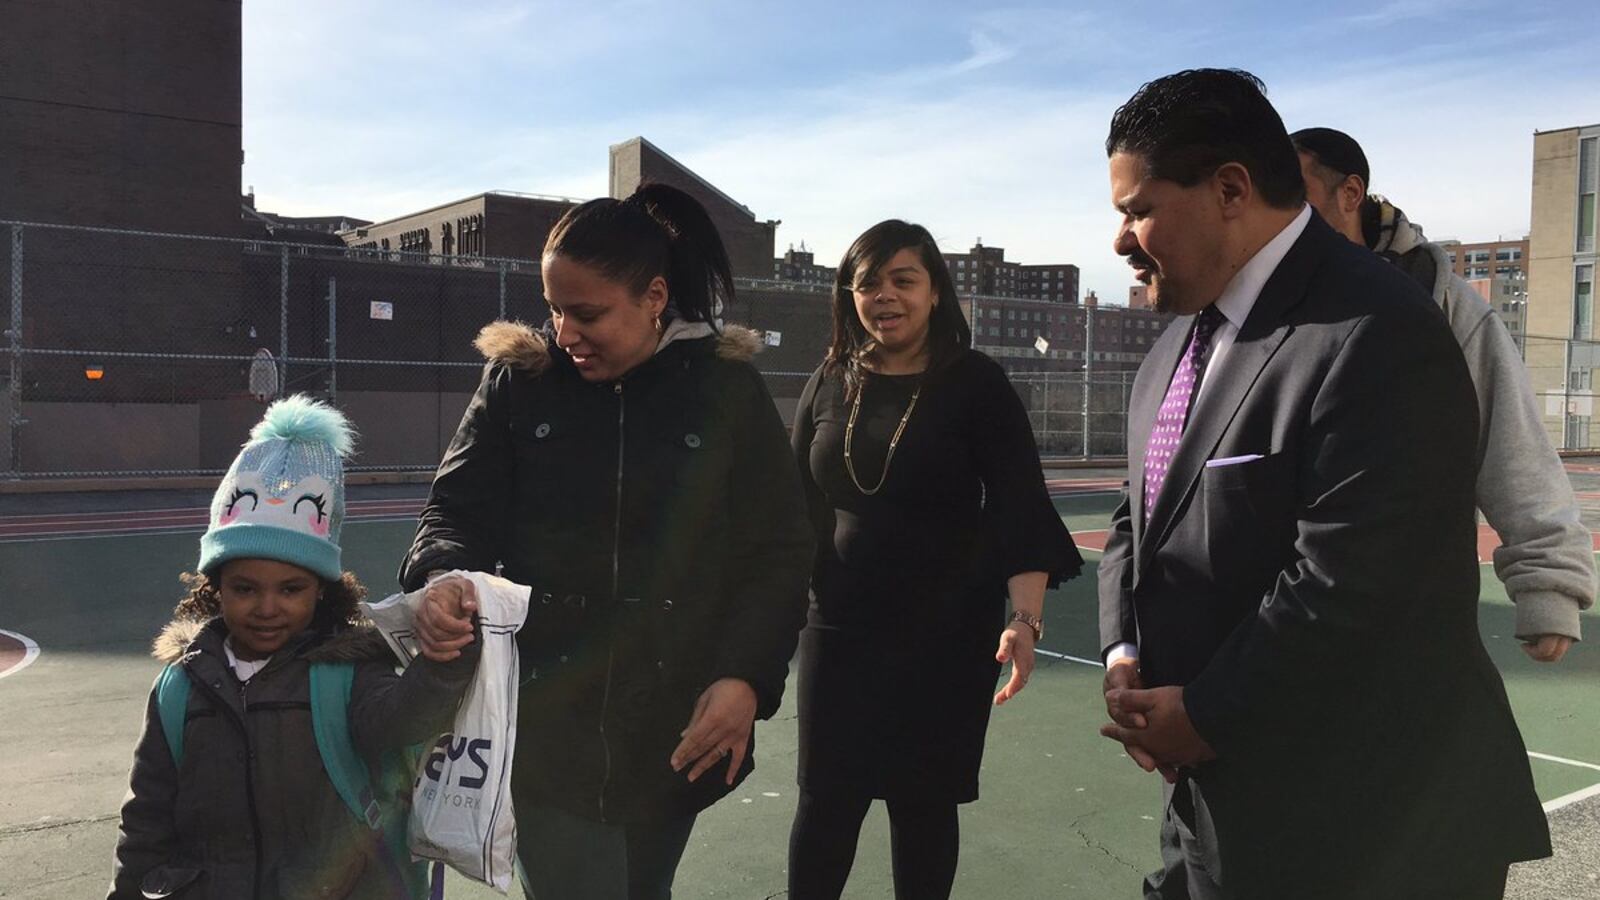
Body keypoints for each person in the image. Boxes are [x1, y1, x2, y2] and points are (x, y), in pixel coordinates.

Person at [1095, 69, 1549, 899]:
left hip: (1371, 826)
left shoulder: (1377, 328)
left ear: (1231, 190)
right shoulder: (1172, 353)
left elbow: (1352, 580)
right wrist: (1126, 653)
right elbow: (1138, 517)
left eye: (1137, 209)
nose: (1121, 239)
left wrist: (1204, 714)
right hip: (1215, 806)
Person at [399, 183, 814, 900]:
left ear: (654, 297)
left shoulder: (725, 389)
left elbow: (777, 551)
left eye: (587, 313)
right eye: (554, 308)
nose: (564, 333)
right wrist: (443, 579)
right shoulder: (519, 383)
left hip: (676, 729)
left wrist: (745, 678)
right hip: (545, 724)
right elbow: (452, 514)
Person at [787, 219, 1081, 900]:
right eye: (868, 283)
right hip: (837, 626)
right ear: (849, 296)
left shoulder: (976, 384)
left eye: (903, 280)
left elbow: (1019, 505)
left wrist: (1025, 620)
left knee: (923, 804)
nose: (884, 296)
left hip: (945, 633)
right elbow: (794, 504)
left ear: (935, 292)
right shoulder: (830, 379)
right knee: (826, 799)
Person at [108, 395, 480, 900]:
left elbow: (402, 720)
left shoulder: (346, 672)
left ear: (322, 590)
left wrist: (444, 659)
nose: (267, 607)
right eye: (245, 588)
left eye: (290, 589)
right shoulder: (181, 685)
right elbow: (147, 818)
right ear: (215, 587)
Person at [1291, 126, 1594, 662]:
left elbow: (1508, 435)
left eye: (1297, 193)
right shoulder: (1266, 300)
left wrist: (1548, 581)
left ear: (1350, 193)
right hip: (1280, 604)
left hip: (1408, 612)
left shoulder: (1441, 304)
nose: (1283, 212)